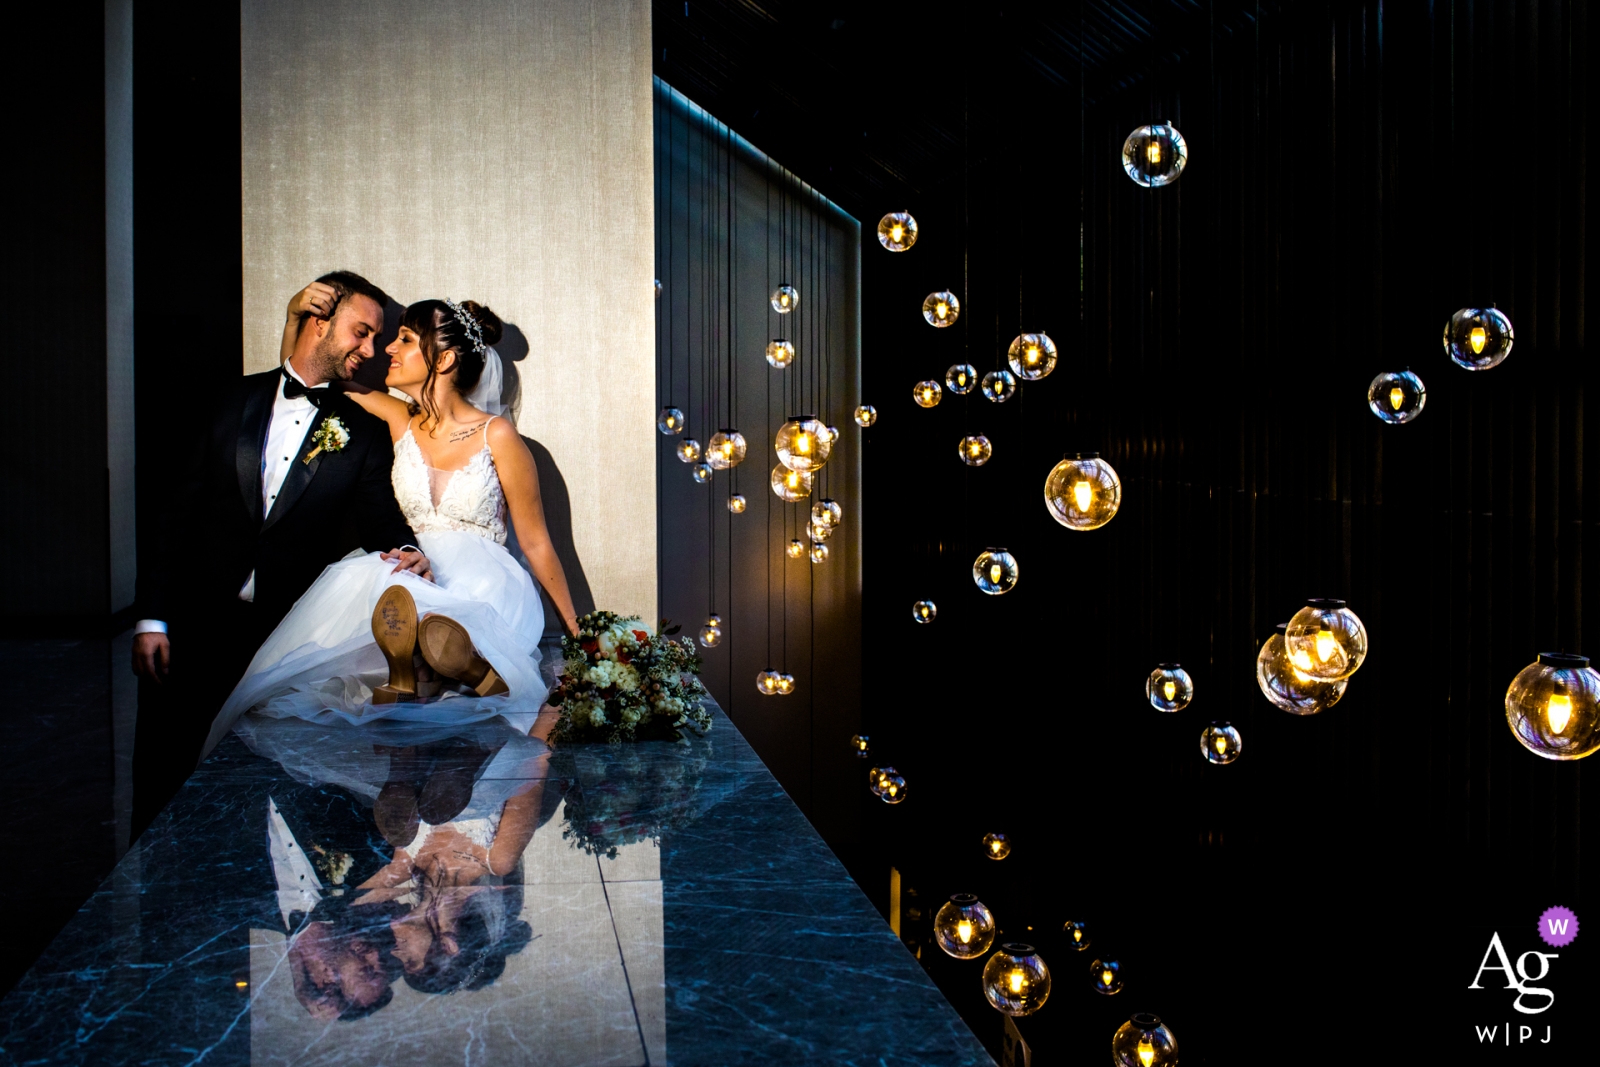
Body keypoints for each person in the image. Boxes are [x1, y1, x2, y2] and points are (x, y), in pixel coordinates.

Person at [199, 287, 580, 755]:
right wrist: (292, 315)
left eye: (403, 339)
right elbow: (302, 378)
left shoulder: (497, 435)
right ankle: (424, 669)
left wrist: (580, 637)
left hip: (485, 573)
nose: (387, 350)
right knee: (387, 595)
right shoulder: (398, 418)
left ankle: (443, 664)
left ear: (441, 360)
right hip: (414, 564)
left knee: (458, 608)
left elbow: (537, 543)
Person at [131, 271, 429, 836]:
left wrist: (408, 548)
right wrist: (152, 616)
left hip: (281, 640)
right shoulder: (225, 399)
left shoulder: (360, 432)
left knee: (262, 796)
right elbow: (174, 514)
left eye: (376, 338)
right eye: (361, 333)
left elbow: (380, 515)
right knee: (162, 777)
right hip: (191, 628)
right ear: (318, 321)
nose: (369, 351)